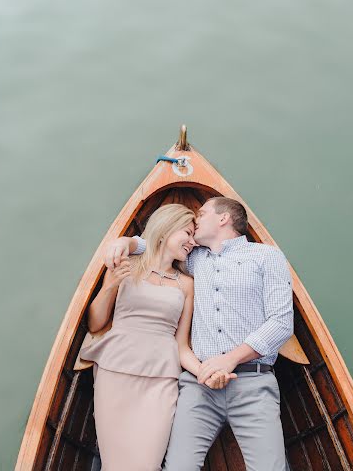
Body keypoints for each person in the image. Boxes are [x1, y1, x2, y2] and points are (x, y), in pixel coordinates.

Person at [107, 196, 294, 471]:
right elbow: (160, 243)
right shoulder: (194, 259)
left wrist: (229, 359)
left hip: (253, 384)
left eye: (202, 213)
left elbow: (281, 323)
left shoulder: (266, 256)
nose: (196, 220)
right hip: (198, 385)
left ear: (223, 218)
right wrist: (126, 242)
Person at [80, 203, 230, 471]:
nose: (193, 242)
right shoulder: (127, 265)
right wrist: (111, 285)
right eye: (187, 233)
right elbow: (95, 323)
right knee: (115, 464)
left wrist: (207, 372)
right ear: (166, 229)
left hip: (161, 379)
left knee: (147, 463)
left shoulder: (187, 284)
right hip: (116, 372)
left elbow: (181, 346)